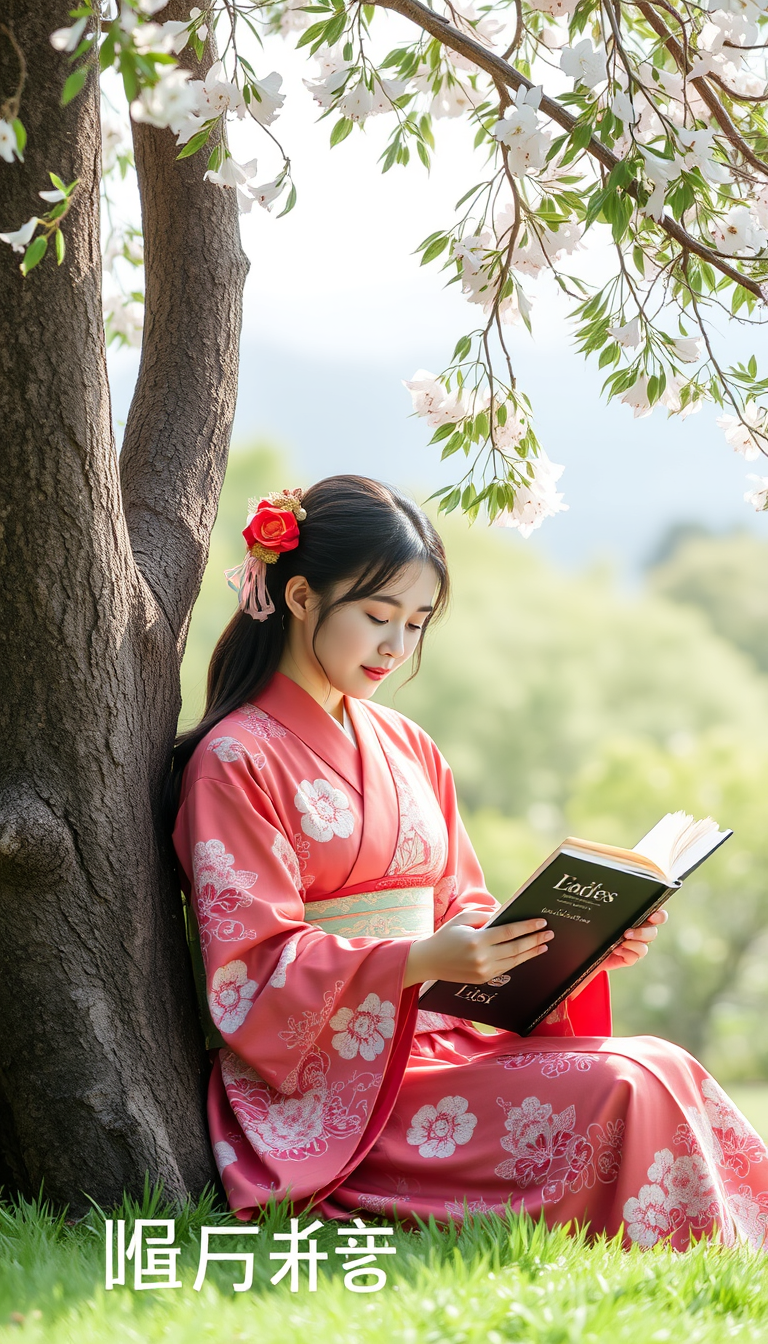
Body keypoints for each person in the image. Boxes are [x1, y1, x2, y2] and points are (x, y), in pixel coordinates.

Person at [167, 474, 768, 1251]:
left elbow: (466, 915)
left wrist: (578, 944)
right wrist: (416, 959)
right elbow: (249, 970)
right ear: (303, 598)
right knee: (621, 1085)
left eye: (417, 624)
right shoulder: (234, 761)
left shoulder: (409, 746)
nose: (397, 646)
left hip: (446, 1042)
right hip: (334, 1091)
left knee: (662, 1062)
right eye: (378, 616)